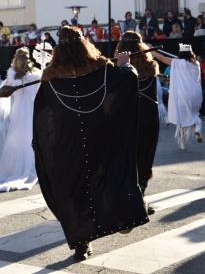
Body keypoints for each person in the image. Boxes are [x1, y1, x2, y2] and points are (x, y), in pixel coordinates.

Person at [33, 26, 148, 261]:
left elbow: (43, 120)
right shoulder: (104, 71)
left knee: (74, 193)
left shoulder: (50, 81)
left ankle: (82, 243)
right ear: (84, 44)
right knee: (104, 180)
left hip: (67, 146)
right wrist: (126, 65)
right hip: (100, 140)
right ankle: (120, 218)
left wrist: (45, 148)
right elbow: (127, 80)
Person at [0, 47, 41, 193]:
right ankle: (31, 168)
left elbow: (1, 90)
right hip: (30, 111)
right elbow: (39, 94)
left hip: (17, 112)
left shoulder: (11, 75)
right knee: (30, 139)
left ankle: (15, 167)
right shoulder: (34, 77)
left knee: (17, 139)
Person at [116, 31, 159, 215]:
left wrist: (120, 66)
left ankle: (132, 201)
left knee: (127, 160)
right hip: (147, 119)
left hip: (127, 119)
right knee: (143, 160)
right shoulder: (150, 65)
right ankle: (137, 198)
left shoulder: (117, 68)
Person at [153, 43, 203, 149]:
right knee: (194, 114)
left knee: (181, 117)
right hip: (196, 93)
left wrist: (150, 50)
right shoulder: (196, 63)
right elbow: (184, 61)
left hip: (183, 94)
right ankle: (197, 128)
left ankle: (182, 143)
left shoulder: (177, 62)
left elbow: (162, 58)